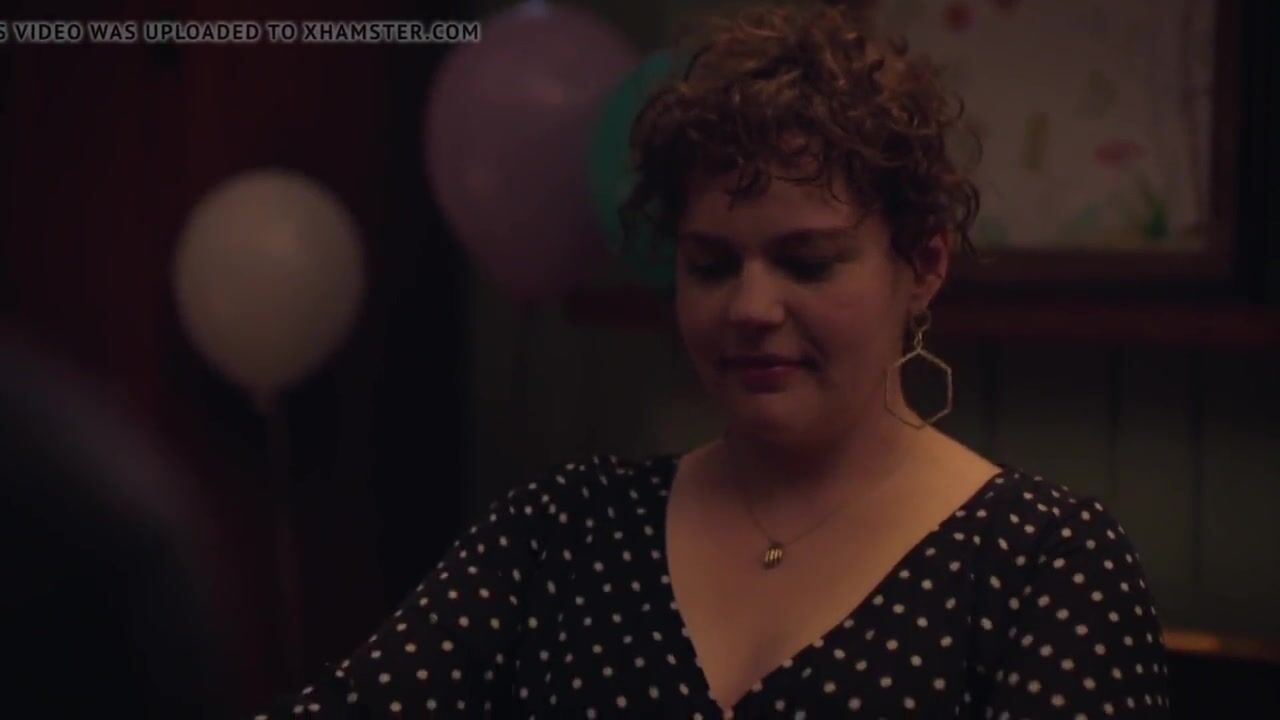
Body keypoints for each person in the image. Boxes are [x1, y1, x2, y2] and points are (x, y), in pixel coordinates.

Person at [252, 3, 1170, 717]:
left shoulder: (1040, 563)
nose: (751, 309)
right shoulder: (563, 533)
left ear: (923, 264)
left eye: (807, 263)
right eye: (713, 265)